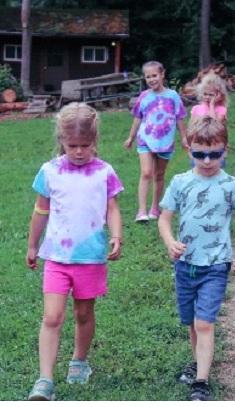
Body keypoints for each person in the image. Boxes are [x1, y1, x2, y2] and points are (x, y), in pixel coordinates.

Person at [24, 103, 124, 400]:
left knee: (83, 313)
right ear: (61, 141)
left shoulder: (104, 172)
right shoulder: (50, 171)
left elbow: (112, 208)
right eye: (72, 146)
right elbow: (40, 210)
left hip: (90, 258)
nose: (79, 151)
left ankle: (79, 360)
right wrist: (32, 245)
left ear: (95, 141)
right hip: (56, 257)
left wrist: (117, 234)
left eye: (85, 145)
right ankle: (45, 380)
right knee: (52, 317)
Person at [157, 116, 235, 401]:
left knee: (204, 323)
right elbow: (164, 218)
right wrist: (170, 241)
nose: (207, 160)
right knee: (191, 321)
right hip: (185, 264)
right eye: (200, 154)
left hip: (216, 264)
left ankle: (201, 381)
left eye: (215, 154)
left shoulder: (231, 185)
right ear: (189, 150)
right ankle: (198, 360)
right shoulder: (180, 182)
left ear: (225, 151)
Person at [127, 61, 185, 223]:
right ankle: (141, 211)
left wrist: (184, 138)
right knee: (146, 173)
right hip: (145, 139)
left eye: (154, 75)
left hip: (165, 141)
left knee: (159, 175)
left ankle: (154, 208)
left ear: (162, 75)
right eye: (148, 77)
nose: (151, 79)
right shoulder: (144, 96)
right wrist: (131, 137)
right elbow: (138, 117)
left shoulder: (173, 96)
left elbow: (179, 118)